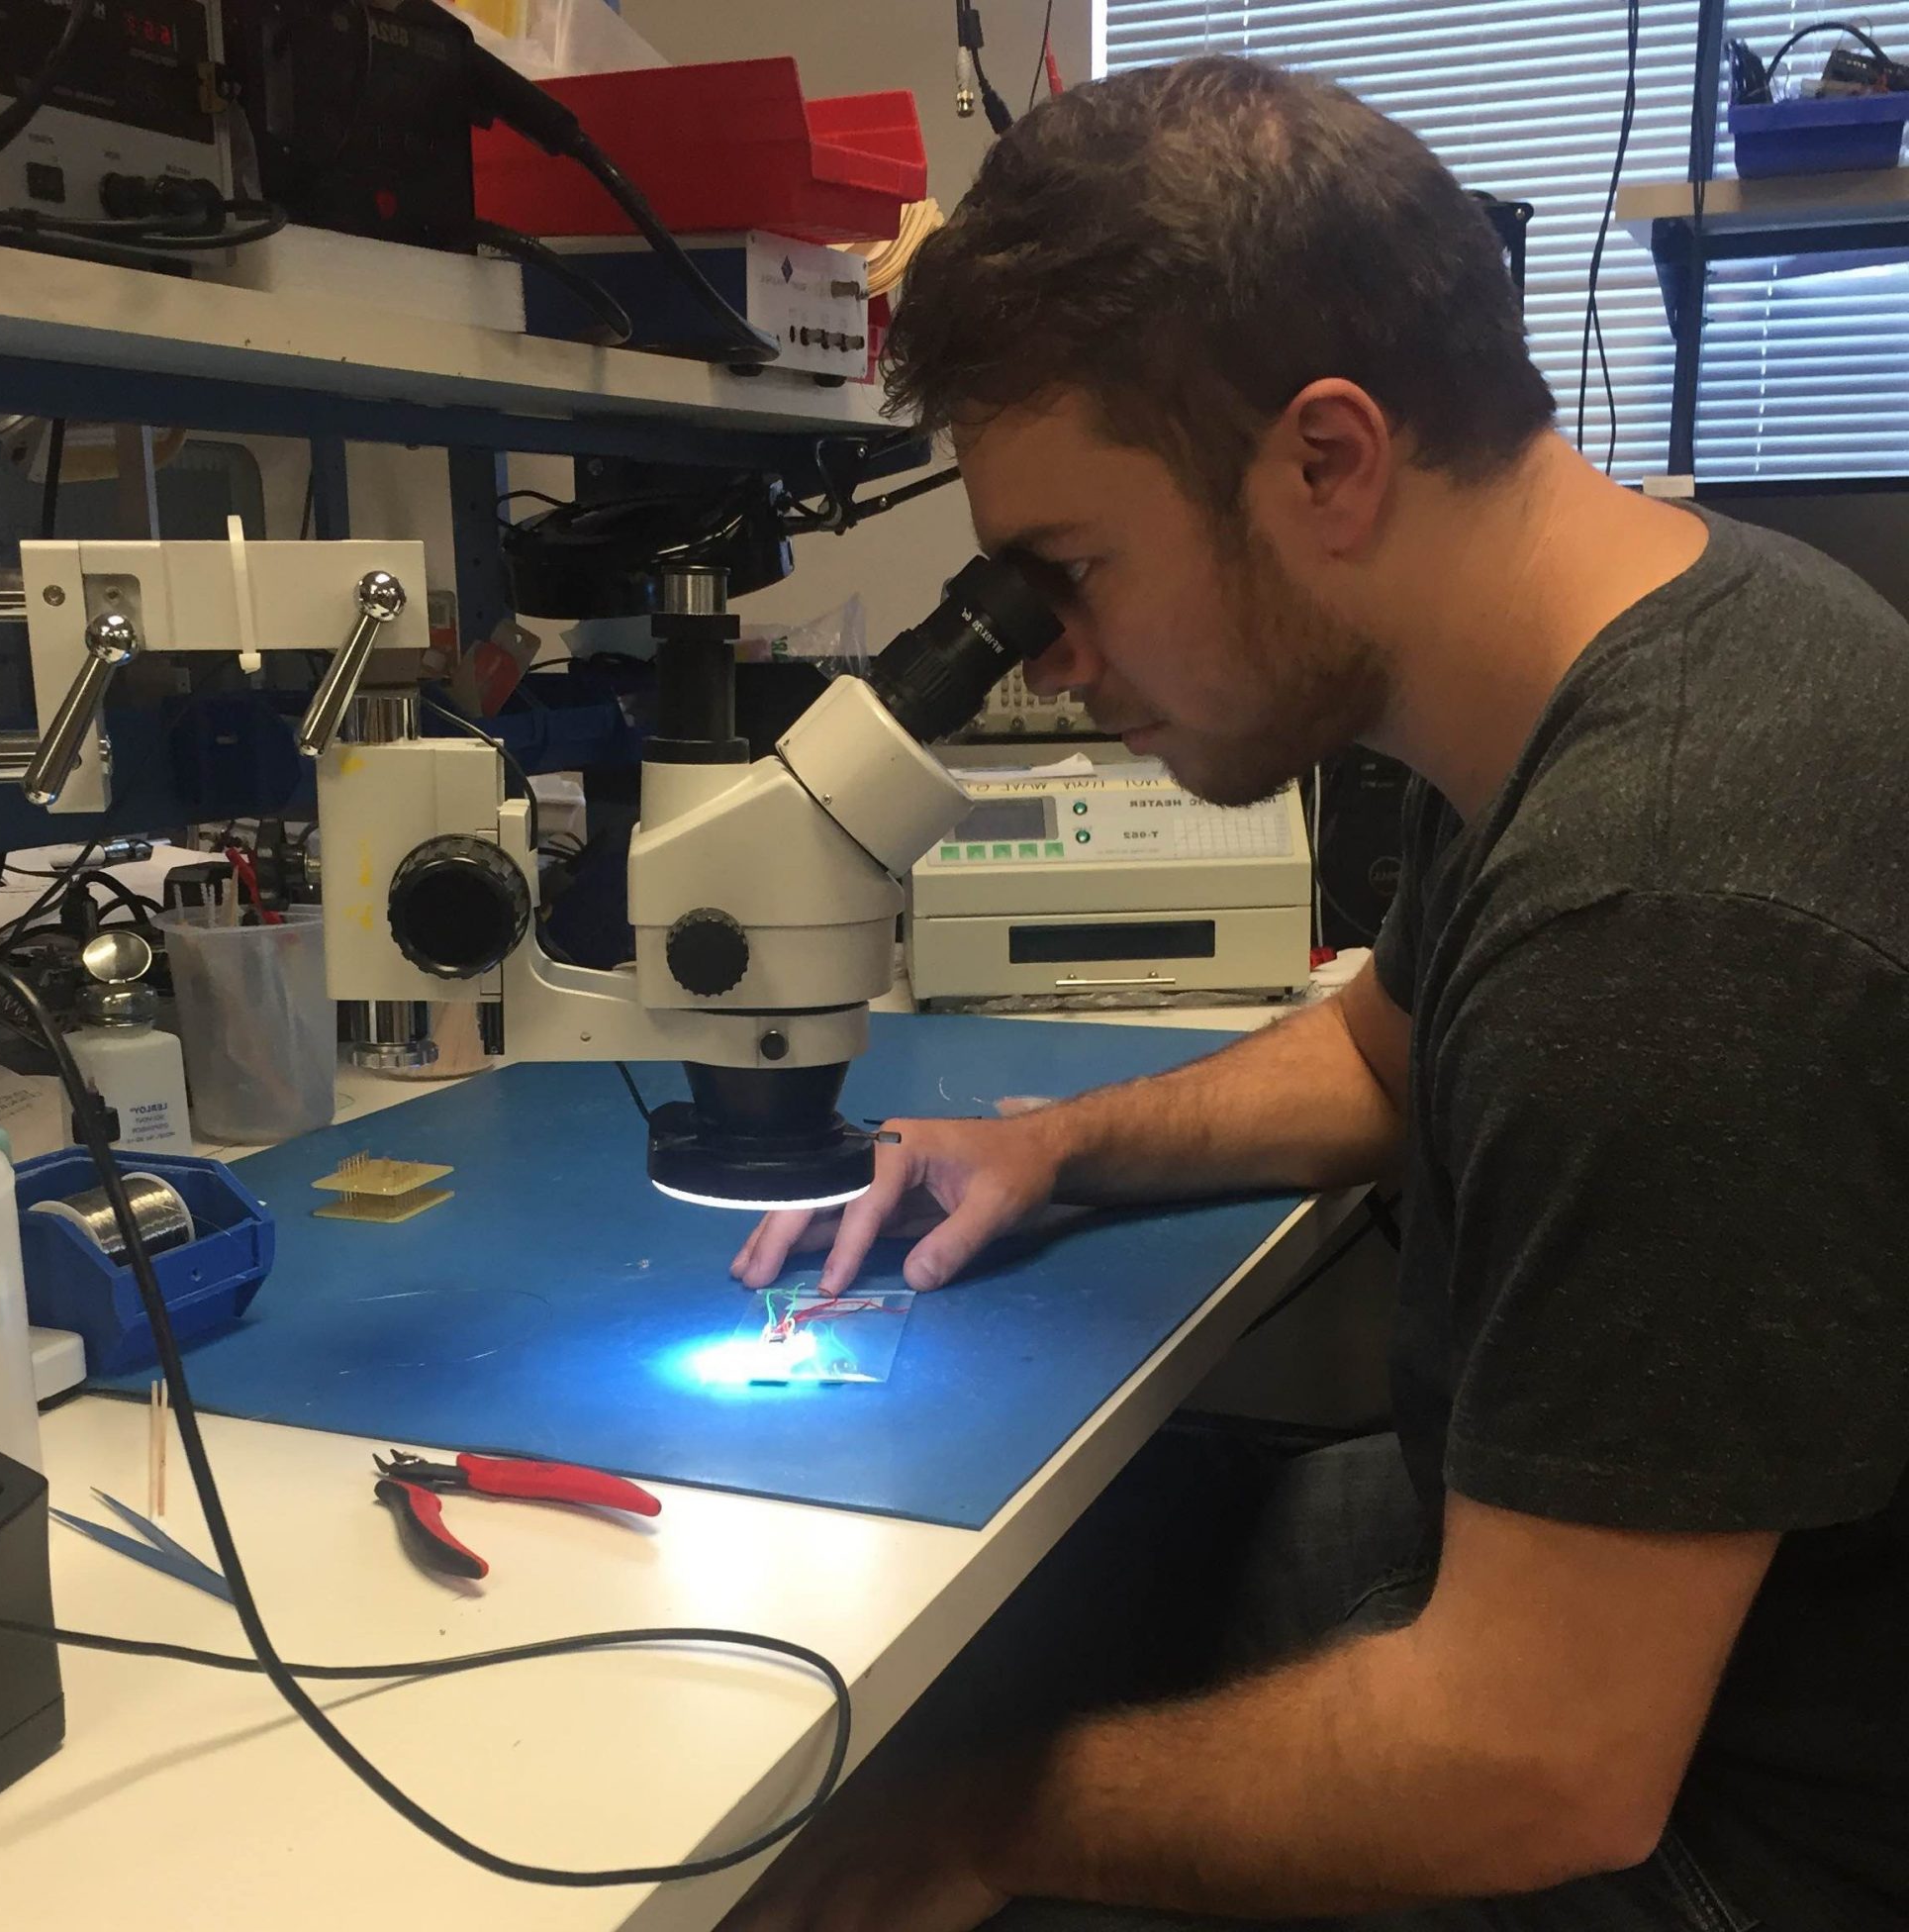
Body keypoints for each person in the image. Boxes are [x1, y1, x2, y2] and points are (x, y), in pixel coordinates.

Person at [720, 55, 1909, 1932]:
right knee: (1032, 1624)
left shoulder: (1663, 912)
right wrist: (1049, 1149)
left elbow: (1533, 1768)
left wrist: (966, 1835)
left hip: (1731, 1825)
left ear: (1328, 460)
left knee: (902, 1815)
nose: (1057, 662)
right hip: (1597, 1609)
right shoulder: (1634, 647)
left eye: (1075, 573)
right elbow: (1386, 1048)